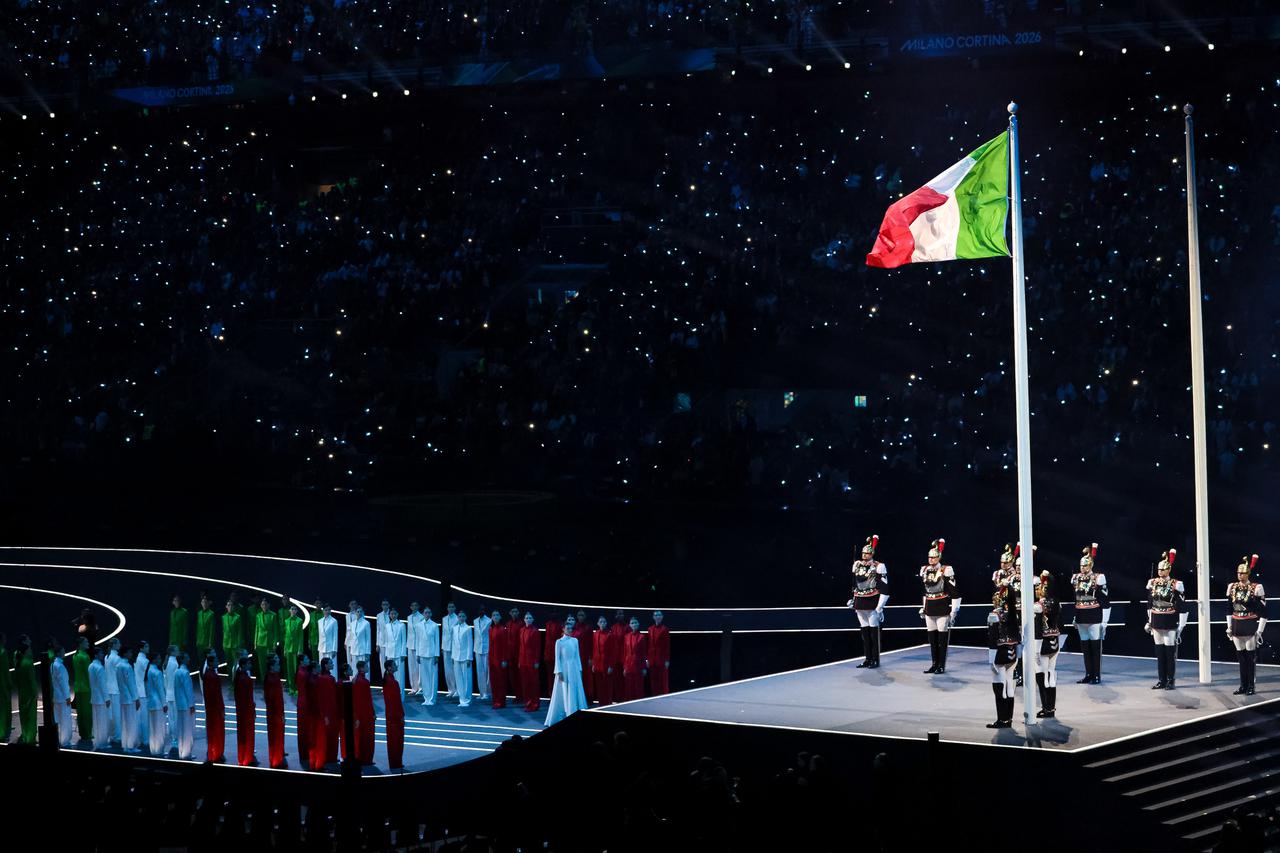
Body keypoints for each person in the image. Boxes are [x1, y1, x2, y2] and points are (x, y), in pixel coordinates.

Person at [1145, 549, 1189, 690]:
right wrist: (1150, 621)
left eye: (1163, 569)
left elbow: (1182, 606)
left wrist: (1181, 626)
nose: (1160, 572)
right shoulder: (1152, 583)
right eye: (1159, 569)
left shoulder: (1176, 584)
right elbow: (1149, 604)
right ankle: (1161, 680)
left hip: (1170, 620)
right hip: (1156, 619)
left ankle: (1170, 680)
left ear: (1168, 570)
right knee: (1159, 653)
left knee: (1170, 653)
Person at [919, 539, 961, 675]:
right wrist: (923, 607)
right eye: (929, 557)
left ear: (939, 557)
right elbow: (925, 592)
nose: (931, 559)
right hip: (929, 607)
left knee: (942, 639)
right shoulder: (924, 570)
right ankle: (934, 664)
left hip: (942, 607)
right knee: (932, 639)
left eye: (934, 557)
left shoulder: (945, 570)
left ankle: (941, 665)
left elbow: (955, 593)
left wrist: (954, 611)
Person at [1227, 554, 1266, 696]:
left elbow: (1264, 613)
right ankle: (1243, 685)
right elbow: (1229, 610)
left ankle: (1251, 685)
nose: (1239, 575)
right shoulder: (1232, 587)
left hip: (1250, 625)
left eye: (1242, 573)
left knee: (1250, 658)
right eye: (1238, 572)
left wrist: (1260, 631)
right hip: (1237, 624)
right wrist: (1229, 626)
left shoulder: (1256, 588)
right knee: (1241, 658)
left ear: (1247, 573)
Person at [1071, 543, 1109, 684]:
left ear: (1091, 565)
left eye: (1085, 565)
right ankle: (1088, 674)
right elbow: (1076, 598)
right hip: (1081, 616)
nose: (1083, 568)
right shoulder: (1075, 578)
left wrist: (1105, 622)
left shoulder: (1098, 578)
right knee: (1085, 648)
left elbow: (1105, 601)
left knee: (1095, 648)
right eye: (1081, 565)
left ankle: (1097, 675)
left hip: (1094, 616)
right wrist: (1075, 617)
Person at [849, 535, 889, 669]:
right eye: (863, 553)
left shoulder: (878, 566)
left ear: (872, 553)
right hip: (860, 600)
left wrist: (880, 606)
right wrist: (853, 599)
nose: (865, 555)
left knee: (873, 632)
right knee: (864, 632)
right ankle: (867, 658)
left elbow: (884, 588)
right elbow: (855, 583)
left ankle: (875, 659)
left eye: (867, 553)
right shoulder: (857, 564)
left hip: (872, 601)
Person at [986, 580, 1018, 729]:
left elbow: (992, 639)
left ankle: (1002, 719)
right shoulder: (1013, 613)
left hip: (999, 655)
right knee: (1009, 686)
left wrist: (991, 660)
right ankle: (1008, 719)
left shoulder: (994, 615)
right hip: (1012, 653)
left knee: (999, 687)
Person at [546, 616, 589, 726]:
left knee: (575, 690)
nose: (570, 630)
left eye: (571, 629)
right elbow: (558, 658)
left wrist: (580, 669)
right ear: (563, 629)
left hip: (574, 668)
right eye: (568, 628)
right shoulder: (559, 642)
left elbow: (577, 656)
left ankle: (575, 712)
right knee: (564, 691)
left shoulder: (575, 640)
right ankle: (565, 713)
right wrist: (558, 671)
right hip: (564, 669)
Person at [1033, 570, 1062, 718]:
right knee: (1051, 674)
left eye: (1040, 587)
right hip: (1054, 641)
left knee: (1041, 675)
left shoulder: (1038, 606)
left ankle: (1047, 707)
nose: (1037, 589)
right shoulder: (1057, 602)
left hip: (1043, 643)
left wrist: (1036, 650)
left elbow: (1037, 629)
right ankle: (1051, 708)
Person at [310, 657, 339, 771]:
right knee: (328, 735)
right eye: (330, 663)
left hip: (325, 710)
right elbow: (328, 697)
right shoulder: (328, 679)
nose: (332, 664)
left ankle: (326, 757)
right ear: (325, 665)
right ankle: (328, 758)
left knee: (326, 735)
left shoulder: (320, 678)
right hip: (328, 710)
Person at [201, 652, 226, 762]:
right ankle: (215, 754)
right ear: (211, 662)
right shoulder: (211, 676)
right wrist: (221, 708)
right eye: (216, 661)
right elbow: (215, 695)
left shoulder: (210, 674)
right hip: (214, 709)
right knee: (215, 732)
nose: (218, 663)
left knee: (214, 731)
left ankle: (215, 753)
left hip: (212, 708)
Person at [116, 646, 141, 751]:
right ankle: (130, 746)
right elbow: (130, 684)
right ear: (125, 653)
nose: (131, 654)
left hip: (122, 697)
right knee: (131, 723)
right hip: (129, 698)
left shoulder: (118, 665)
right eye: (130, 652)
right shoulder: (127, 666)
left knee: (125, 722)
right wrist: (136, 698)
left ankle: (125, 744)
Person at [14, 637, 38, 745]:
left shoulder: (18, 662)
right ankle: (31, 739)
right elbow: (32, 681)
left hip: (22, 692)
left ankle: (25, 736)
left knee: (23, 716)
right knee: (31, 717)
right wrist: (35, 693)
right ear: (26, 650)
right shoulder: (28, 662)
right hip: (30, 694)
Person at [591, 615, 620, 705]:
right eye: (601, 622)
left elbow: (613, 651)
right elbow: (594, 649)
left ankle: (608, 704)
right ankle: (601, 704)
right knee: (599, 686)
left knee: (608, 686)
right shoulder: (595, 634)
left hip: (607, 664)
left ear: (606, 623)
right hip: (598, 664)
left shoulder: (610, 635)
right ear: (598, 623)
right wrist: (593, 664)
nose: (602, 623)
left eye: (604, 622)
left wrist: (611, 665)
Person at [172, 652, 195, 759]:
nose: (189, 658)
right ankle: (186, 753)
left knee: (181, 729)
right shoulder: (185, 673)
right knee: (187, 730)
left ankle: (182, 751)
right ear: (182, 660)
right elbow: (188, 691)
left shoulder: (176, 672)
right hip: (186, 705)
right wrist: (191, 705)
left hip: (180, 704)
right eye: (187, 657)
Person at [382, 659, 405, 771]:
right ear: (389, 668)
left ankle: (394, 762)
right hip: (395, 715)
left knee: (392, 740)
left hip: (390, 714)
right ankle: (396, 762)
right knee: (397, 741)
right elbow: (396, 701)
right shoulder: (393, 683)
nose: (396, 666)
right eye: (394, 665)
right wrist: (401, 715)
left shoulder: (388, 680)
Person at [449, 609, 475, 707]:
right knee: (459, 679)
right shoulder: (455, 628)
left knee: (467, 679)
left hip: (465, 657)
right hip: (456, 656)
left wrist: (469, 658)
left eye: (463, 616)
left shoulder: (468, 628)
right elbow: (453, 643)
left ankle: (467, 699)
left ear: (466, 617)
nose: (461, 618)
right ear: (457, 617)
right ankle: (462, 699)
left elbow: (470, 644)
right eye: (460, 616)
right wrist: (452, 656)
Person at [352, 660, 375, 764]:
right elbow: (368, 699)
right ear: (361, 668)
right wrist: (373, 713)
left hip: (359, 712)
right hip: (365, 712)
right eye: (366, 666)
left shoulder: (355, 679)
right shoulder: (364, 682)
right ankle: (366, 759)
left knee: (360, 736)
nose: (368, 668)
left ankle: (360, 757)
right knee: (367, 736)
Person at [518, 612, 542, 712]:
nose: (528, 619)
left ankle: (535, 703)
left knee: (534, 683)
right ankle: (527, 703)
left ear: (532, 620)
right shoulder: (522, 630)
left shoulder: (535, 631)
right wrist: (519, 660)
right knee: (525, 683)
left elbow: (537, 647)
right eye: (526, 617)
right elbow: (520, 647)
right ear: (524, 620)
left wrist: (536, 661)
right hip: (523, 661)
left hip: (532, 661)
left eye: (530, 618)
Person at [417, 606, 441, 705]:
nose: (427, 614)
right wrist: (418, 654)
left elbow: (437, 641)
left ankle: (432, 698)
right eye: (425, 612)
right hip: (422, 654)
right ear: (423, 614)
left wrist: (436, 655)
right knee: (424, 677)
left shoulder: (435, 626)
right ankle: (426, 698)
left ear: (431, 614)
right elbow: (417, 641)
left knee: (432, 677)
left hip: (431, 654)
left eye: (429, 612)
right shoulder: (418, 625)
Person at [144, 656, 168, 756]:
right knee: (159, 728)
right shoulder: (157, 673)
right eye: (158, 658)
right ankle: (159, 750)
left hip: (150, 702)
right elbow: (160, 690)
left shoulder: (148, 671)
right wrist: (164, 704)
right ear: (154, 660)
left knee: (153, 728)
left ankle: (153, 749)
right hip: (158, 703)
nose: (160, 660)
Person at [265, 655, 286, 768]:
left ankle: (277, 758)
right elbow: (273, 699)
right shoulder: (271, 679)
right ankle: (275, 760)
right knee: (275, 737)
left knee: (277, 737)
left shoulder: (275, 677)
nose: (279, 666)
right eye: (277, 665)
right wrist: (279, 715)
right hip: (275, 714)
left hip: (277, 713)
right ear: (272, 667)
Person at [88, 646, 111, 748]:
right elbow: (102, 685)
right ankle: (102, 743)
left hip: (94, 698)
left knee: (96, 721)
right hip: (101, 699)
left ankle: (97, 741)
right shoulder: (100, 668)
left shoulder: (90, 666)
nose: (102, 655)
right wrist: (107, 698)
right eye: (101, 653)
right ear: (96, 655)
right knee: (102, 722)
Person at [72, 637, 93, 743]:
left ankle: (83, 732)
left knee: (80, 712)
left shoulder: (75, 656)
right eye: (86, 642)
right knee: (87, 712)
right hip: (85, 688)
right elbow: (88, 673)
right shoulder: (85, 657)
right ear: (80, 644)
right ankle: (87, 733)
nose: (88, 643)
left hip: (77, 687)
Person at [253, 598, 279, 686]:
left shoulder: (273, 615)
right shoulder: (258, 615)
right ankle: (264, 682)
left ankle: (271, 682)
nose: (264, 606)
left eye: (265, 604)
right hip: (260, 642)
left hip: (270, 642)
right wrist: (255, 643)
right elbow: (257, 629)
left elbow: (276, 630)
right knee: (262, 664)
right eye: (262, 604)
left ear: (268, 605)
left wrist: (275, 643)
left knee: (270, 664)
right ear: (261, 606)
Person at [51, 645, 73, 746]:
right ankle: (65, 741)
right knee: (65, 719)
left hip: (56, 696)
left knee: (59, 719)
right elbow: (63, 683)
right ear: (59, 653)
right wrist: (67, 697)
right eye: (63, 650)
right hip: (63, 697)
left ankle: (61, 739)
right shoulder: (60, 666)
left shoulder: (52, 665)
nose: (64, 652)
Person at [385, 607, 407, 702]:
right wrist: (386, 653)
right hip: (390, 653)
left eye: (395, 614)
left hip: (399, 654)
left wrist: (403, 653)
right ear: (389, 615)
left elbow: (403, 640)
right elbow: (386, 640)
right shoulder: (387, 626)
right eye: (391, 614)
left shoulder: (401, 625)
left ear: (397, 615)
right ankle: (392, 696)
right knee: (391, 676)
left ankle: (400, 697)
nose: (393, 615)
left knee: (400, 676)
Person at [646, 611, 672, 693]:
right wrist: (647, 659)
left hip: (662, 658)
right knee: (654, 681)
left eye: (659, 615)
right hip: (652, 658)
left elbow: (667, 645)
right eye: (656, 615)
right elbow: (648, 644)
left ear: (662, 617)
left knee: (663, 680)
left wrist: (667, 660)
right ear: (653, 617)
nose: (657, 616)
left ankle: (664, 697)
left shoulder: (665, 629)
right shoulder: (650, 629)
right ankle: (655, 698)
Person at [487, 610, 508, 708]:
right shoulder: (490, 629)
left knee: (500, 681)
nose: (495, 616)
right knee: (494, 681)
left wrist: (504, 659)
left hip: (500, 659)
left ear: (500, 617)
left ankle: (501, 701)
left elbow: (505, 646)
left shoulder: (503, 629)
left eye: (497, 615)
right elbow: (490, 645)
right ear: (491, 617)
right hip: (492, 658)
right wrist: (489, 658)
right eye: (494, 615)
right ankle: (495, 700)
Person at [295, 655, 312, 769]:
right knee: (304, 729)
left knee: (305, 729)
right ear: (301, 662)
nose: (308, 660)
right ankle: (305, 753)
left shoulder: (304, 671)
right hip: (305, 702)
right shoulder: (303, 673)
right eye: (306, 659)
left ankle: (306, 753)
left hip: (303, 701)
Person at [105, 638, 123, 744]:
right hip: (116, 689)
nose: (120, 644)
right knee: (117, 714)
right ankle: (117, 735)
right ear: (114, 645)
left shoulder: (107, 657)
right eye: (118, 643)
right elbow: (119, 676)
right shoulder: (116, 658)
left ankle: (112, 734)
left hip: (109, 689)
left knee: (111, 713)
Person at [283, 604, 303, 695]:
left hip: (295, 648)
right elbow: (286, 636)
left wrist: (300, 649)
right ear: (289, 611)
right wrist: (284, 649)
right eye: (292, 609)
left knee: (296, 669)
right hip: (288, 648)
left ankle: (297, 687)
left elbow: (300, 636)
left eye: (295, 609)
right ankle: (291, 687)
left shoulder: (299, 621)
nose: (293, 610)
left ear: (297, 611)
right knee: (289, 669)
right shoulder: (286, 621)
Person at [133, 640, 151, 746]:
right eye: (146, 646)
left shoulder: (138, 659)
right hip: (143, 691)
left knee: (140, 717)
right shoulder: (145, 661)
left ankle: (141, 738)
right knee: (144, 717)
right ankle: (145, 739)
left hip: (139, 690)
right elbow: (147, 678)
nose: (148, 648)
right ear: (141, 648)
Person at [474, 609, 493, 701]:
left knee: (487, 671)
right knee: (480, 672)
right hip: (477, 648)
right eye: (479, 610)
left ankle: (487, 692)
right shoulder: (475, 621)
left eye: (482, 610)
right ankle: (482, 693)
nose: (481, 611)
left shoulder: (489, 620)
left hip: (486, 648)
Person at [441, 602, 459, 698]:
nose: (451, 608)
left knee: (455, 669)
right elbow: (444, 633)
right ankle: (451, 689)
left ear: (455, 608)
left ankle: (457, 689)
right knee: (447, 669)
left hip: (454, 647)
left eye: (452, 606)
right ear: (447, 608)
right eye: (449, 607)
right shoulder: (444, 619)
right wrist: (442, 647)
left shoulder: (457, 618)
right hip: (446, 647)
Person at [406, 601, 425, 695]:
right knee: (412, 667)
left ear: (418, 606)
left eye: (416, 605)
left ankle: (421, 687)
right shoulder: (408, 617)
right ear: (410, 607)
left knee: (419, 667)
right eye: (412, 605)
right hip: (410, 644)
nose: (414, 607)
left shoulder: (422, 617)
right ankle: (414, 687)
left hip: (418, 644)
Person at [505, 606, 523, 703]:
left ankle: (522, 696)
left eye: (516, 611)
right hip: (510, 654)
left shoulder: (521, 623)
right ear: (510, 613)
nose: (514, 613)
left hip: (519, 654)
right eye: (513, 611)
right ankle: (517, 695)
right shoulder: (508, 624)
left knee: (520, 676)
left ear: (518, 613)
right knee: (513, 676)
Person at [163, 644, 180, 748]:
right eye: (177, 650)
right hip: (174, 694)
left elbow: (165, 680)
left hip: (168, 694)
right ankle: (175, 738)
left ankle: (174, 738)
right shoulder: (174, 663)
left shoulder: (166, 663)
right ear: (172, 652)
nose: (179, 651)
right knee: (176, 718)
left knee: (171, 718)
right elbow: (176, 681)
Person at [221, 600, 244, 678]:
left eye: (231, 605)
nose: (230, 607)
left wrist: (239, 645)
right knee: (229, 664)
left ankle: (235, 681)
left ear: (234, 607)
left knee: (235, 664)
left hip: (235, 645)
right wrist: (223, 643)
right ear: (226, 607)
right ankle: (230, 681)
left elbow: (239, 632)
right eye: (228, 605)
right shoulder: (223, 617)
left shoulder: (238, 617)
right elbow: (224, 631)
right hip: (226, 644)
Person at [543, 614, 564, 696]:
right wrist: (545, 654)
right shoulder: (547, 624)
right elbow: (547, 640)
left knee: (558, 676)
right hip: (549, 654)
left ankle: (558, 696)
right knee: (550, 677)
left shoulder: (560, 625)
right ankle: (551, 695)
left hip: (557, 654)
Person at [346, 605, 371, 674]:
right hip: (354, 650)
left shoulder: (366, 623)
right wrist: (350, 652)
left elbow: (368, 639)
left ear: (363, 612)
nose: (359, 613)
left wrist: (367, 653)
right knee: (354, 669)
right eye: (357, 611)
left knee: (364, 670)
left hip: (363, 651)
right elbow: (351, 638)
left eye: (360, 611)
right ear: (355, 613)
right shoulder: (352, 624)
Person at [317, 605, 339, 672]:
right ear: (323, 611)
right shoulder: (319, 621)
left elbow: (335, 636)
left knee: (332, 668)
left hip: (330, 648)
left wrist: (334, 649)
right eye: (325, 610)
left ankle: (333, 681)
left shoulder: (334, 621)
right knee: (322, 666)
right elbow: (320, 635)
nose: (327, 611)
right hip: (321, 647)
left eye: (328, 610)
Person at [196, 593, 217, 660]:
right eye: (202, 602)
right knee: (200, 659)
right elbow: (198, 628)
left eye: (205, 602)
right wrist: (197, 640)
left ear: (208, 603)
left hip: (207, 642)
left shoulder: (211, 614)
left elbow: (212, 630)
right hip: (199, 641)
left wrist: (210, 643)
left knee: (207, 660)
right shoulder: (199, 613)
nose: (204, 604)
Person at [0, 634, 10, 743]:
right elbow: (5, 671)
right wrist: (8, 684)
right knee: (3, 710)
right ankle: (2, 734)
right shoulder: (2, 652)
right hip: (3, 686)